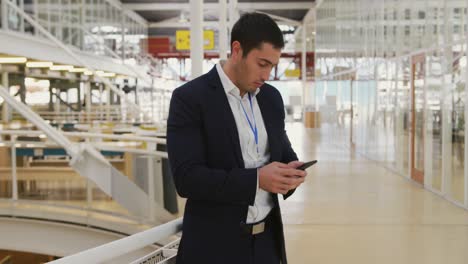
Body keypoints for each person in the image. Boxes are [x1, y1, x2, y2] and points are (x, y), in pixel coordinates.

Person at [167, 13, 307, 264]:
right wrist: (257, 180)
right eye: (261, 63)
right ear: (237, 49)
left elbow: (284, 153)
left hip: (267, 244)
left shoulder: (270, 98)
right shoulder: (190, 98)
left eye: (272, 66)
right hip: (214, 247)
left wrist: (291, 174)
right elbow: (187, 178)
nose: (267, 75)